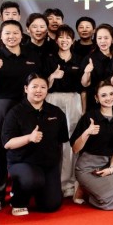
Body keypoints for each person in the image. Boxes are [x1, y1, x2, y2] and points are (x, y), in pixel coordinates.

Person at [0, 19, 45, 211]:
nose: (12, 36)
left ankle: (20, 192)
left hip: (25, 105)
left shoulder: (32, 55)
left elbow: (39, 82)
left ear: (21, 35)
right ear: (1, 36)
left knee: (25, 145)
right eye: (7, 33)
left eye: (15, 33)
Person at [1, 74, 69, 215]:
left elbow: (61, 140)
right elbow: (7, 143)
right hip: (22, 162)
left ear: (47, 89)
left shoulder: (56, 112)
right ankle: (18, 199)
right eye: (35, 87)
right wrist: (29, 138)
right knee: (32, 180)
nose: (39, 90)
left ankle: (39, 191)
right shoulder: (15, 112)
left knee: (51, 205)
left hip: (48, 165)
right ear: (26, 89)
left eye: (43, 87)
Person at [71, 81, 113, 210]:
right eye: (104, 95)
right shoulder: (89, 117)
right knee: (106, 199)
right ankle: (86, 189)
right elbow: (75, 149)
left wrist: (111, 168)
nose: (109, 98)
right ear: (97, 98)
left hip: (108, 165)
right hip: (87, 168)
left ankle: (89, 190)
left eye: (111, 94)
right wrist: (87, 133)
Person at [45, 24, 85, 198]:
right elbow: (43, 86)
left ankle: (69, 183)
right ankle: (53, 181)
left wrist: (83, 108)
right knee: (53, 138)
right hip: (52, 98)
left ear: (73, 40)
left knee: (71, 139)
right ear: (56, 40)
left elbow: (83, 87)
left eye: (68, 37)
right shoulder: (49, 59)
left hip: (73, 99)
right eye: (61, 37)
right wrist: (52, 77)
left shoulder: (79, 59)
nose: (64, 40)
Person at [81, 23, 113, 112]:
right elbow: (84, 84)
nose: (102, 41)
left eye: (106, 38)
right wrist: (87, 72)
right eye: (99, 38)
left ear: (112, 39)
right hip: (95, 102)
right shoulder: (89, 58)